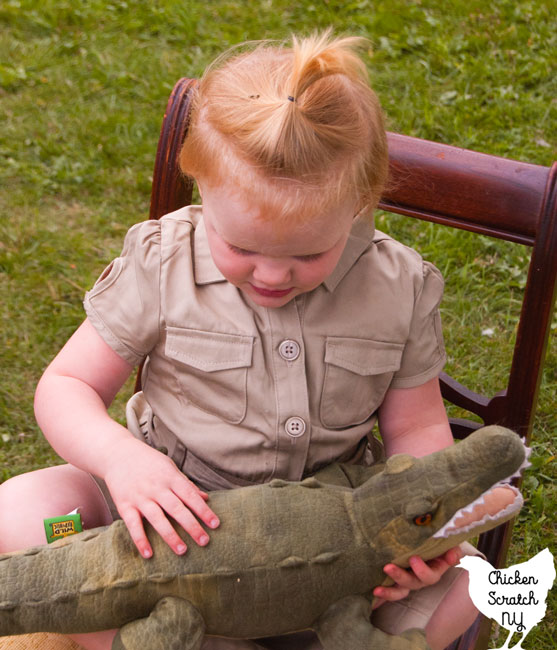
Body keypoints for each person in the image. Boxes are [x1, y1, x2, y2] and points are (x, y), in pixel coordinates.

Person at [0, 31, 509, 650]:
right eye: (239, 247)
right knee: (25, 509)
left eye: (308, 253)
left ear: (358, 204)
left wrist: (423, 533)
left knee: (472, 582)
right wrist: (123, 461)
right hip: (165, 523)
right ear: (202, 189)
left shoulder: (396, 286)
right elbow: (67, 386)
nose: (271, 275)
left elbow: (418, 431)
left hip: (335, 545)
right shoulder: (164, 263)